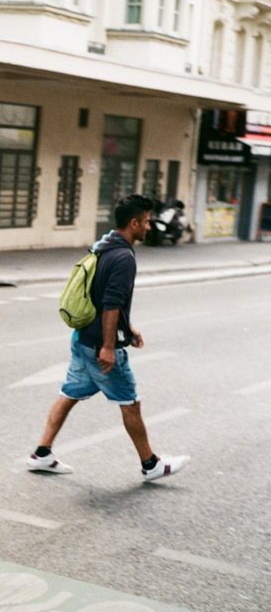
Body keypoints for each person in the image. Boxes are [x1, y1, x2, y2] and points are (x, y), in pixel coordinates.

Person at [27, 195, 190, 481]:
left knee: (69, 394)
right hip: (97, 346)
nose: (149, 227)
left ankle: (42, 454)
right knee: (130, 403)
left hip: (81, 339)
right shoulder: (123, 257)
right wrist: (109, 346)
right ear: (134, 222)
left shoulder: (104, 246)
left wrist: (129, 328)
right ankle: (150, 464)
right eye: (147, 221)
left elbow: (104, 298)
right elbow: (111, 303)